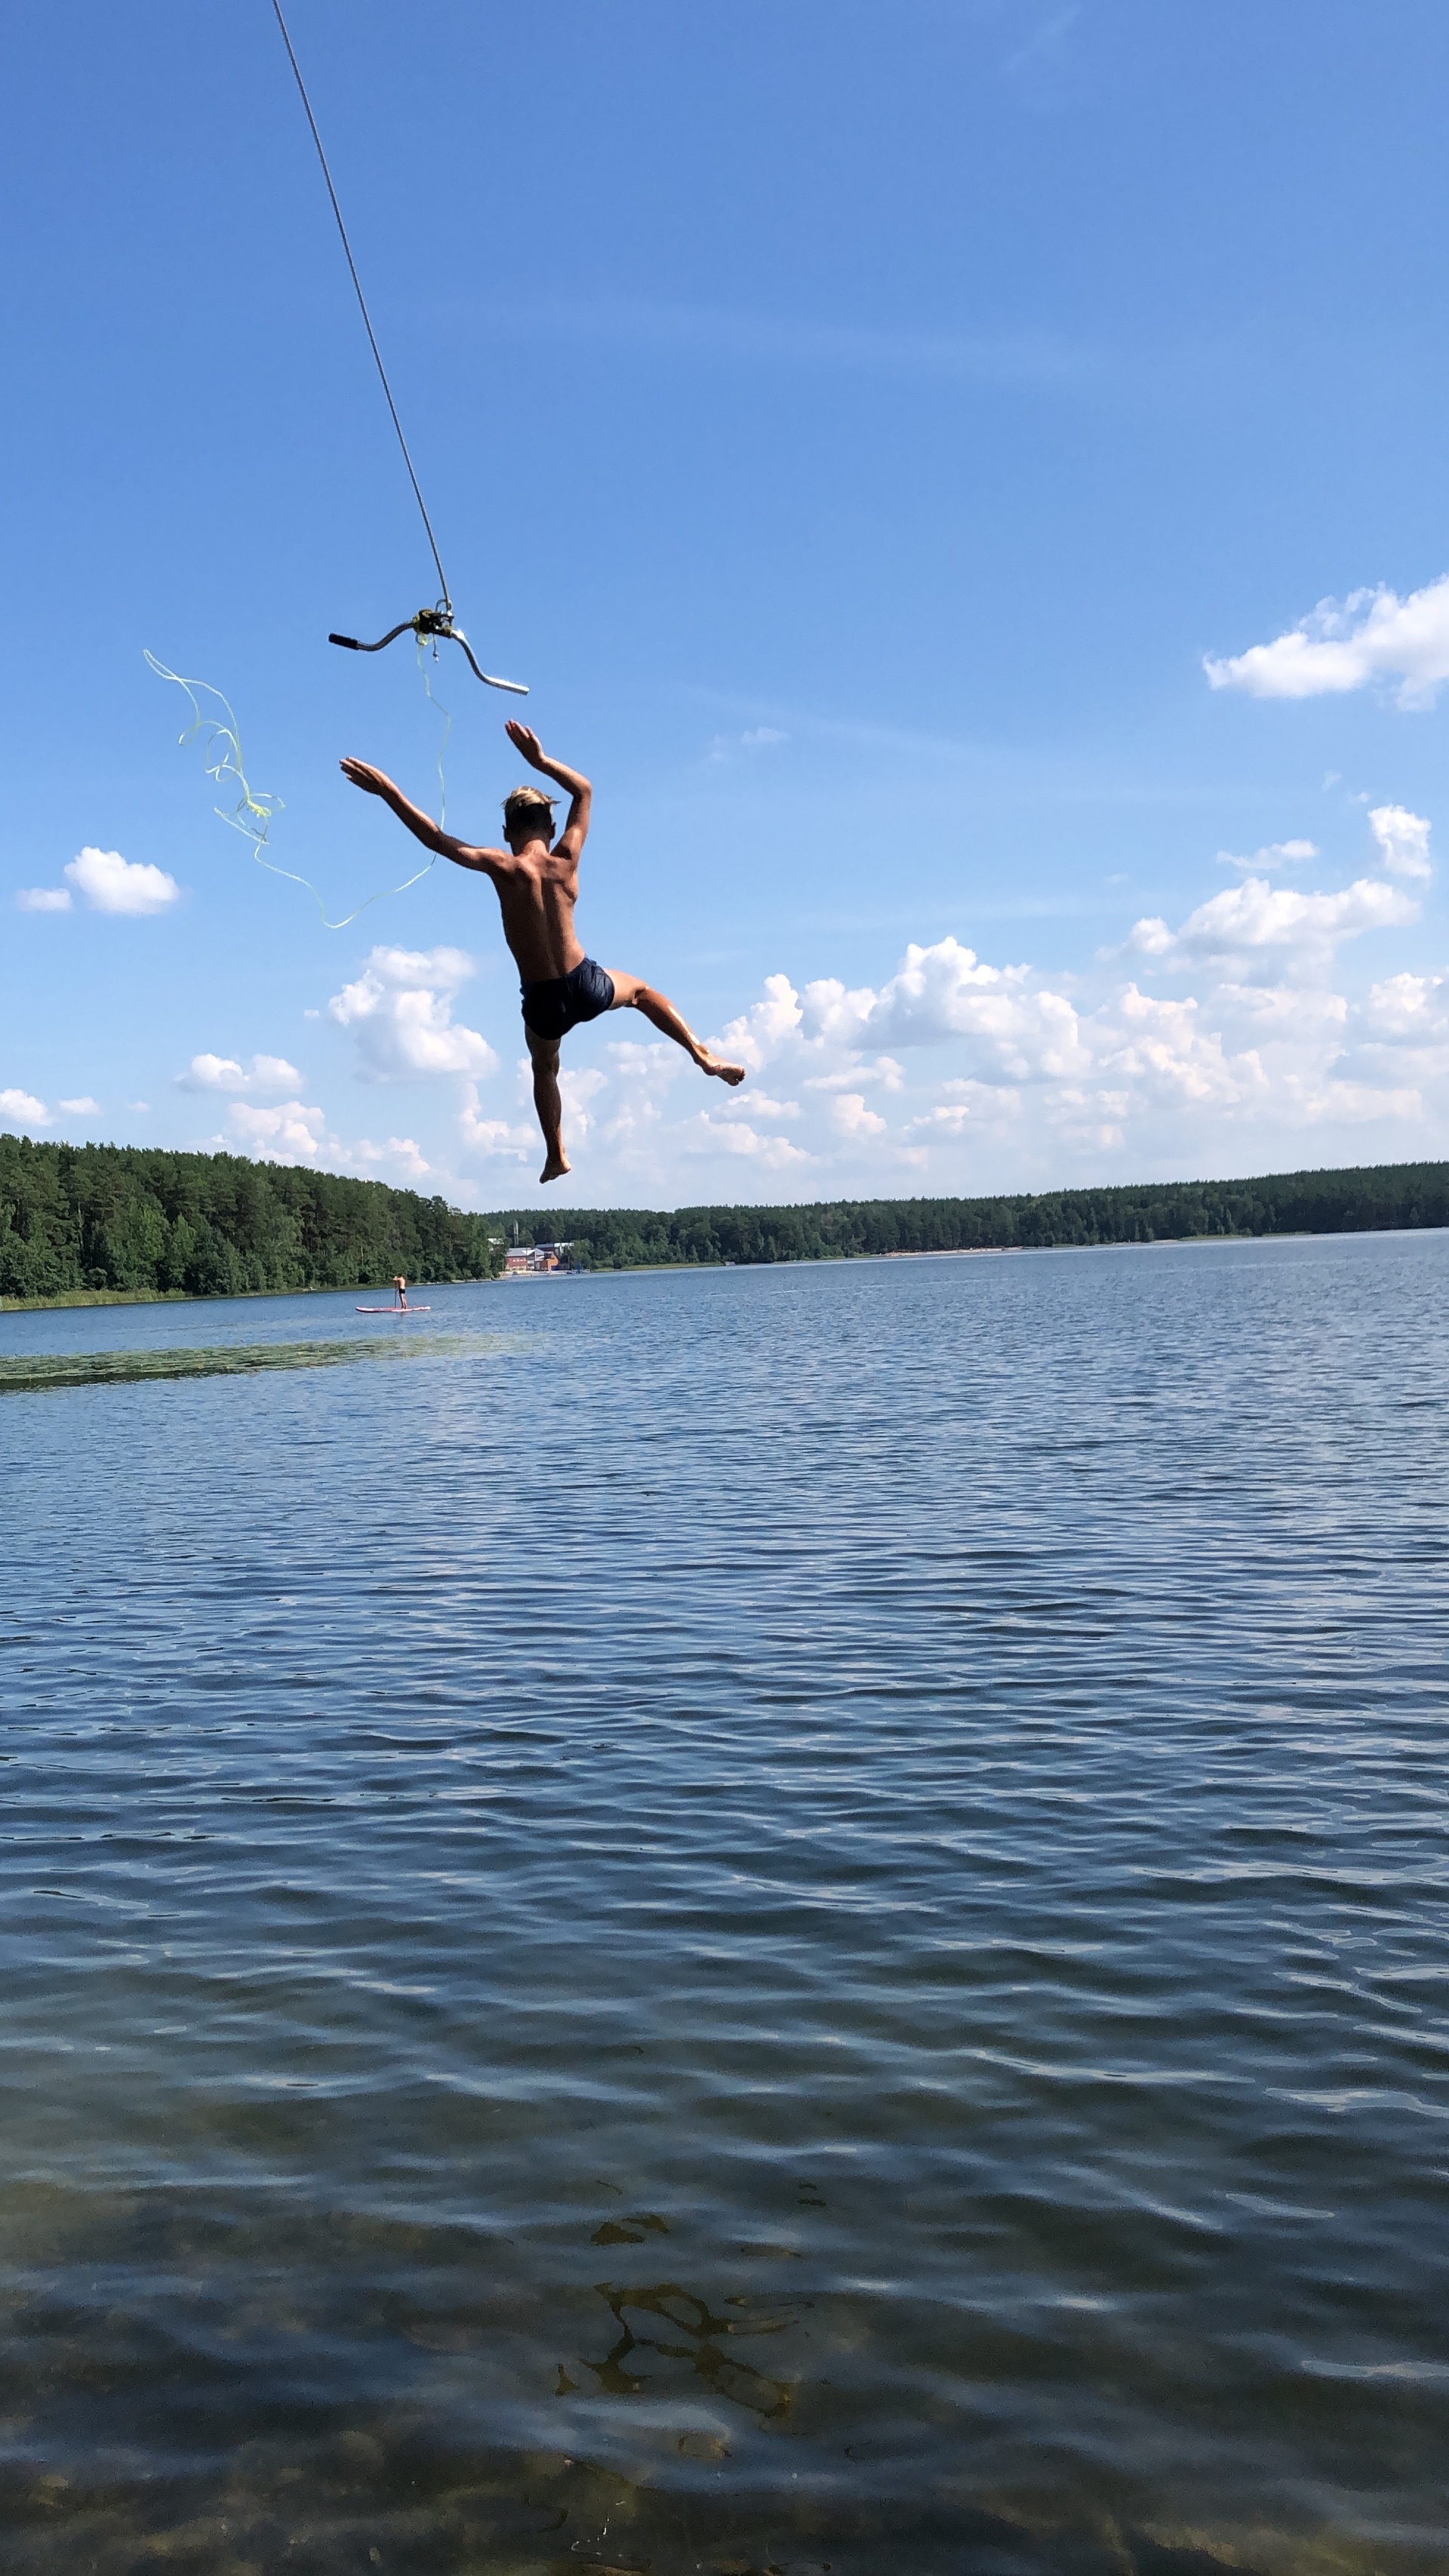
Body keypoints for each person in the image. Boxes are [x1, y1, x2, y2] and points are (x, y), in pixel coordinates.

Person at [340, 722, 746, 1183]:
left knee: (545, 1067)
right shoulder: (566, 859)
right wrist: (540, 761)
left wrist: (387, 791)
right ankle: (703, 1056)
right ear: (551, 827)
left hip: (543, 1001)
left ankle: (556, 1153)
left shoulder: (502, 865)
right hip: (586, 984)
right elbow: (584, 791)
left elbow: (435, 837)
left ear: (507, 831)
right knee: (641, 993)